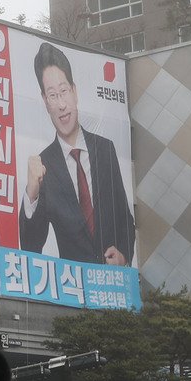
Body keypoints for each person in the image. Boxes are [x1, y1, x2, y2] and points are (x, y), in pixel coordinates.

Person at [19, 42, 135, 266]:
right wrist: (31, 192)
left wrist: (124, 257)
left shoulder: (105, 149)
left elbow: (124, 218)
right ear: (45, 101)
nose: (61, 104)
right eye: (53, 95)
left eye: (64, 91)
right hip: (72, 289)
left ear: (75, 91)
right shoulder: (44, 166)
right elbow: (31, 245)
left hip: (111, 286)